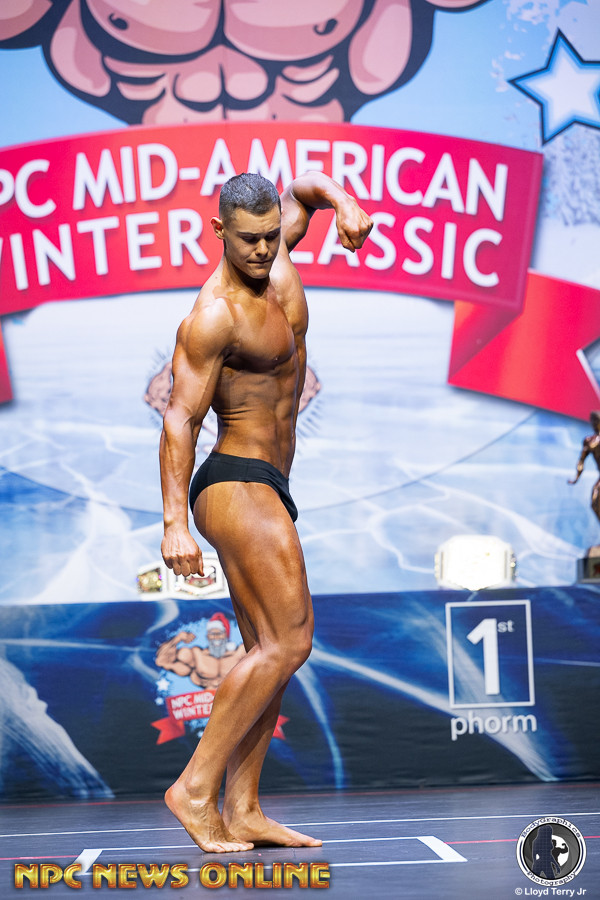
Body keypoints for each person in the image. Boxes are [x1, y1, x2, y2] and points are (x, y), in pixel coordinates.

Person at [159, 171, 372, 853]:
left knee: (268, 653)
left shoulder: (277, 258)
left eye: (270, 236)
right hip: (235, 480)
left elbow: (305, 191)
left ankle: (244, 807)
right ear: (218, 231)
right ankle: (194, 789)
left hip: (268, 482)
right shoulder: (214, 315)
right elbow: (179, 418)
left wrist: (344, 204)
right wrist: (174, 523)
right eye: (247, 239)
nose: (260, 250)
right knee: (291, 641)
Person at [568, 411, 600, 525]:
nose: (594, 423)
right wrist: (576, 477)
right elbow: (581, 460)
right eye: (593, 421)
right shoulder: (589, 441)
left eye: (596, 421)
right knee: (595, 502)